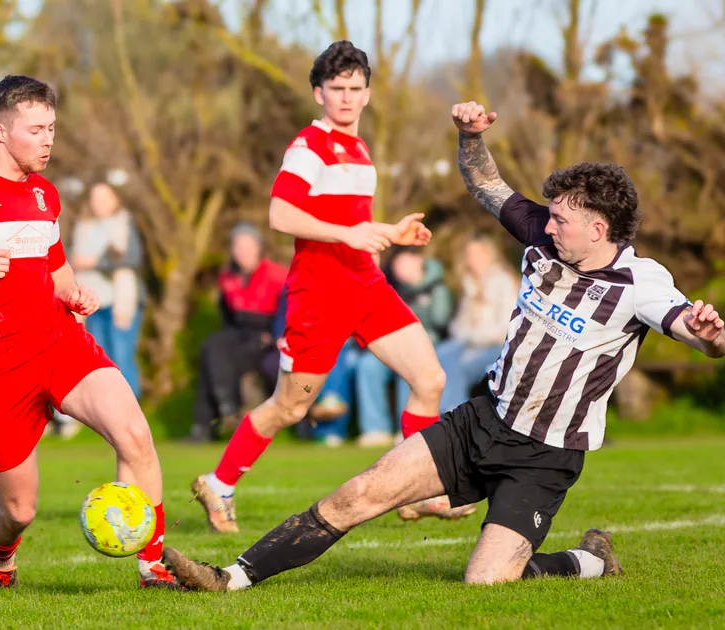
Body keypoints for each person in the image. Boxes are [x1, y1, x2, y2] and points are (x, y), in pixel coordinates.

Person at [161, 100, 725, 591]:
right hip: (484, 420)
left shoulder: (641, 283)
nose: (547, 226)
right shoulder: (542, 236)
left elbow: (686, 328)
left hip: (545, 456)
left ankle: (590, 561)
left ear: (598, 229)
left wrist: (707, 336)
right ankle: (230, 577)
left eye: (560, 220)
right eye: (548, 217)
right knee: (361, 492)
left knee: (487, 579)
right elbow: (485, 184)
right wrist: (471, 135)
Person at [0, 75, 180, 590]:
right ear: (1, 130)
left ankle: (153, 566)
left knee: (134, 434)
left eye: (52, 129)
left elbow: (57, 268)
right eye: (37, 130)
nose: (48, 141)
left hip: (56, 343)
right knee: (19, 509)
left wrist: (74, 293)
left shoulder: (46, 194)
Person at [190, 40, 460, 534]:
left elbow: (349, 221)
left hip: (367, 286)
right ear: (319, 93)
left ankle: (417, 491)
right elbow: (280, 214)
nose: (347, 98)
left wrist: (391, 234)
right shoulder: (308, 147)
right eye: (337, 89)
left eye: (356, 88)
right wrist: (349, 234)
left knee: (430, 380)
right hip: (320, 297)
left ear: (368, 93)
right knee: (291, 406)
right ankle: (219, 482)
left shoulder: (359, 150)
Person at [189, 223, 287, 442]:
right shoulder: (228, 277)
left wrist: (273, 336)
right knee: (211, 351)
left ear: (258, 247)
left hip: (267, 337)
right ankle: (214, 419)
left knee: (214, 352)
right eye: (237, 246)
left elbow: (285, 312)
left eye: (247, 245)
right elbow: (228, 318)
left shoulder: (277, 275)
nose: (242, 251)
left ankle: (219, 415)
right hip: (238, 334)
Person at [354, 247, 454, 447]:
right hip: (392, 343)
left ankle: (406, 429)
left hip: (430, 345)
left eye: (404, 262)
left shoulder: (437, 288)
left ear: (418, 261)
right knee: (367, 365)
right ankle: (375, 430)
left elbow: (442, 322)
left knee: (411, 369)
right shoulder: (390, 288)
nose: (398, 268)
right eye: (396, 264)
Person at [70, 181, 145, 398]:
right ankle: (107, 411)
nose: (98, 203)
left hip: (122, 301)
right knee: (99, 360)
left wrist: (94, 262)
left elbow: (130, 258)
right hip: (94, 303)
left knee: (122, 358)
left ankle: (131, 414)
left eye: (104, 197)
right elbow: (73, 260)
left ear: (116, 199)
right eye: (94, 198)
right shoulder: (83, 226)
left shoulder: (124, 224)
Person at [436, 232, 518, 411]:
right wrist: (468, 340)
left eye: (478, 254)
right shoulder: (469, 284)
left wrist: (474, 342)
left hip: (497, 347)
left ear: (490, 255)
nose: (473, 260)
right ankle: (423, 416)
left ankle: (452, 414)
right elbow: (458, 326)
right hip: (469, 342)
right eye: (469, 255)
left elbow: (506, 328)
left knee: (458, 366)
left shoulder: (502, 282)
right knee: (438, 355)